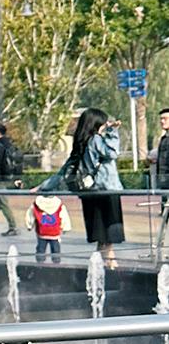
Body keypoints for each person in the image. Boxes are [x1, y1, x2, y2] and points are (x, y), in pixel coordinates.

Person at [45, 108, 124, 270]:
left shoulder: (81, 143)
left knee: (101, 235)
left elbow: (64, 172)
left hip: (89, 192)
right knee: (108, 233)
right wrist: (112, 131)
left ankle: (103, 265)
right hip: (106, 191)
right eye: (104, 122)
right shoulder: (96, 139)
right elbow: (113, 153)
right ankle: (110, 265)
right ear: (97, 124)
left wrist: (43, 187)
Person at [31, 193, 69, 264]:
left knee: (40, 250)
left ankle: (39, 264)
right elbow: (64, 216)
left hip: (42, 232)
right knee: (55, 251)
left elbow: (31, 214)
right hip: (55, 233)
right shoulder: (59, 204)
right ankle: (56, 264)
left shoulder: (37, 204)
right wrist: (66, 227)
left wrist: (30, 225)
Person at [155, 106, 169, 214]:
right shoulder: (164, 139)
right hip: (164, 181)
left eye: (165, 118)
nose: (162, 121)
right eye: (161, 119)